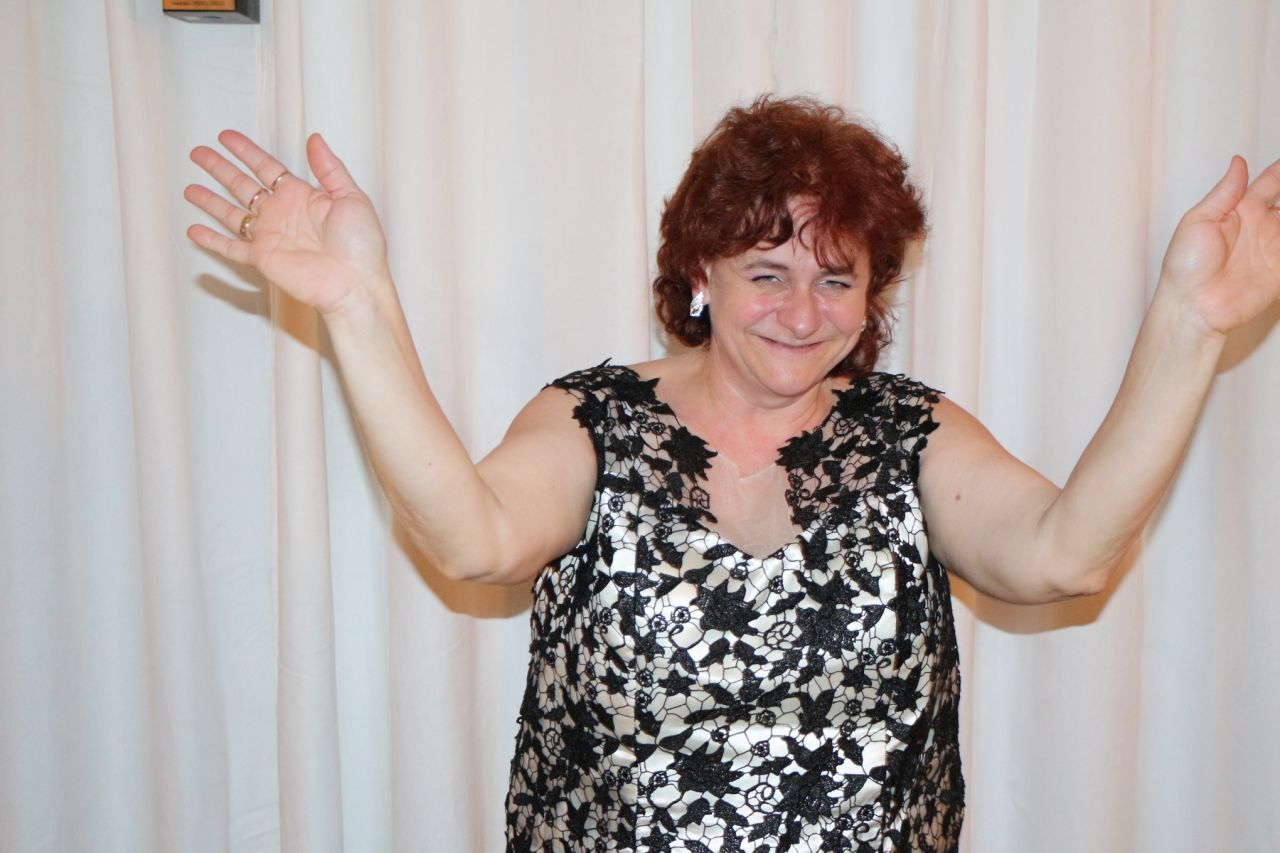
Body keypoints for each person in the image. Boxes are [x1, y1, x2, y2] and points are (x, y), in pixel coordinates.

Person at [184, 96, 1280, 851]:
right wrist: (357, 307)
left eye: (836, 279)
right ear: (699, 272)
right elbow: (471, 539)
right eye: (767, 272)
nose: (802, 313)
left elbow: (1064, 555)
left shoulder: (909, 432)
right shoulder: (595, 419)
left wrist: (1186, 324)